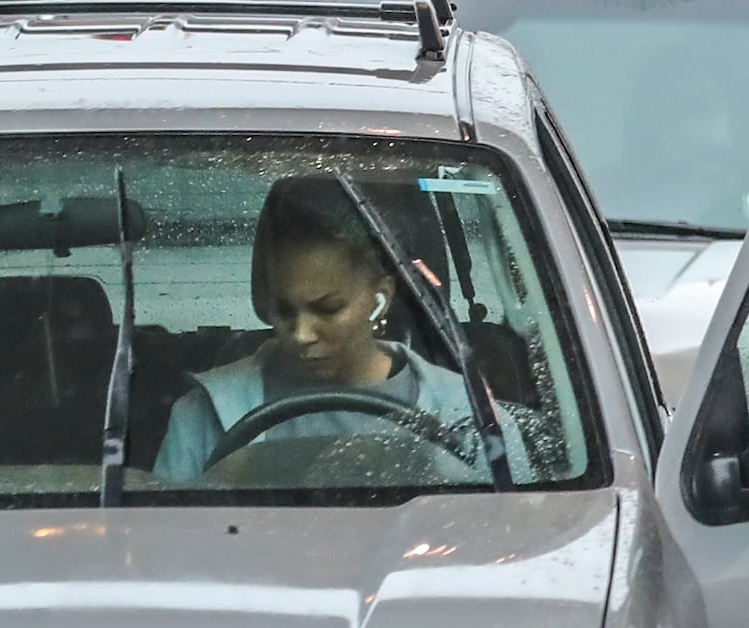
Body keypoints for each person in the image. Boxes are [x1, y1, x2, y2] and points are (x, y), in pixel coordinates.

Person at [152, 174, 494, 482]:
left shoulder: (466, 413)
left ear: (381, 297)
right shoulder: (203, 416)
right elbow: (163, 541)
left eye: (327, 309)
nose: (301, 334)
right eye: (284, 310)